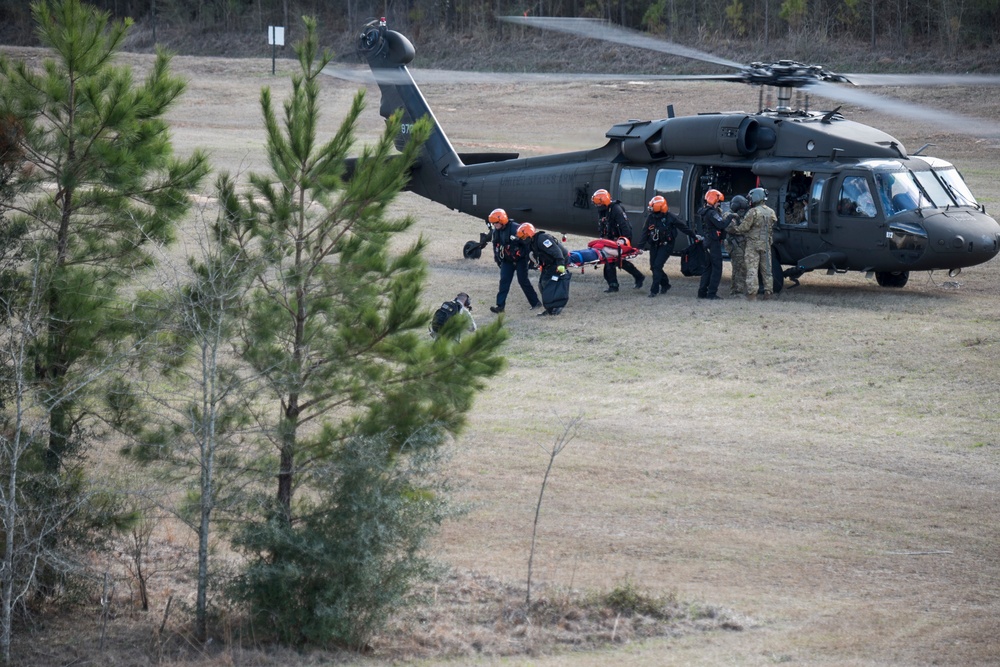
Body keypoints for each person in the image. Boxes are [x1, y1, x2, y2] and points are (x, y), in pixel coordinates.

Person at [635, 195, 698, 297]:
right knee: (653, 267)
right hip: (655, 245)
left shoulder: (670, 217)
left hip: (666, 246)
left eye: (652, 207)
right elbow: (645, 232)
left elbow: (683, 227)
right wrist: (640, 247)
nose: (650, 210)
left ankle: (654, 291)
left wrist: (694, 236)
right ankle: (665, 284)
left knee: (657, 266)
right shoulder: (650, 218)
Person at [485, 208, 541, 314]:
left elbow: (527, 243)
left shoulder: (516, 228)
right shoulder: (497, 232)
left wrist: (526, 257)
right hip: (507, 260)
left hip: (520, 260)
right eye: (493, 224)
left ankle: (535, 303)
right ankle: (500, 306)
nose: (495, 225)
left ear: (501, 221)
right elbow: (495, 245)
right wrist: (497, 258)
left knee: (523, 281)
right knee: (504, 282)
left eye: (496, 223)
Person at [727, 187, 777, 300]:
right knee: (767, 270)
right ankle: (768, 293)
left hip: (753, 245)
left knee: (752, 270)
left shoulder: (753, 212)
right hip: (766, 244)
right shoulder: (771, 211)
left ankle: (752, 295)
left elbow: (743, 228)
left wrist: (733, 229)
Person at [592, 188, 644, 293]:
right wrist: (602, 238)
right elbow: (602, 225)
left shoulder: (616, 209)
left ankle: (614, 285)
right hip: (610, 240)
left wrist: (625, 241)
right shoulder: (602, 211)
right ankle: (638, 276)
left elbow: (625, 226)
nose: (597, 206)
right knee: (617, 261)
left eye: (598, 204)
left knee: (611, 262)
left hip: (620, 239)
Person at [516, 223, 570, 316]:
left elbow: (557, 251)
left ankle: (556, 307)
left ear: (529, 235)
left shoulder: (542, 239)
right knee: (541, 285)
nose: (522, 240)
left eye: (523, 238)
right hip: (549, 263)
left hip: (558, 261)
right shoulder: (532, 243)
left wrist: (561, 264)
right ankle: (549, 307)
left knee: (548, 283)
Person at [695, 189, 729, 300]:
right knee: (717, 268)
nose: (719, 204)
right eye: (718, 202)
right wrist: (731, 217)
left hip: (707, 242)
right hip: (713, 243)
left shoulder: (703, 211)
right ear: (714, 200)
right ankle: (712, 293)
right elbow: (721, 224)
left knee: (708, 268)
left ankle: (702, 292)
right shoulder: (712, 213)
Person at [724, 194, 750, 297]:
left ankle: (735, 290)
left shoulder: (738, 216)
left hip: (739, 245)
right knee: (739, 268)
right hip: (734, 245)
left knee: (739, 268)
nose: (742, 211)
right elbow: (732, 229)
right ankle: (737, 292)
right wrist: (744, 230)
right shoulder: (728, 215)